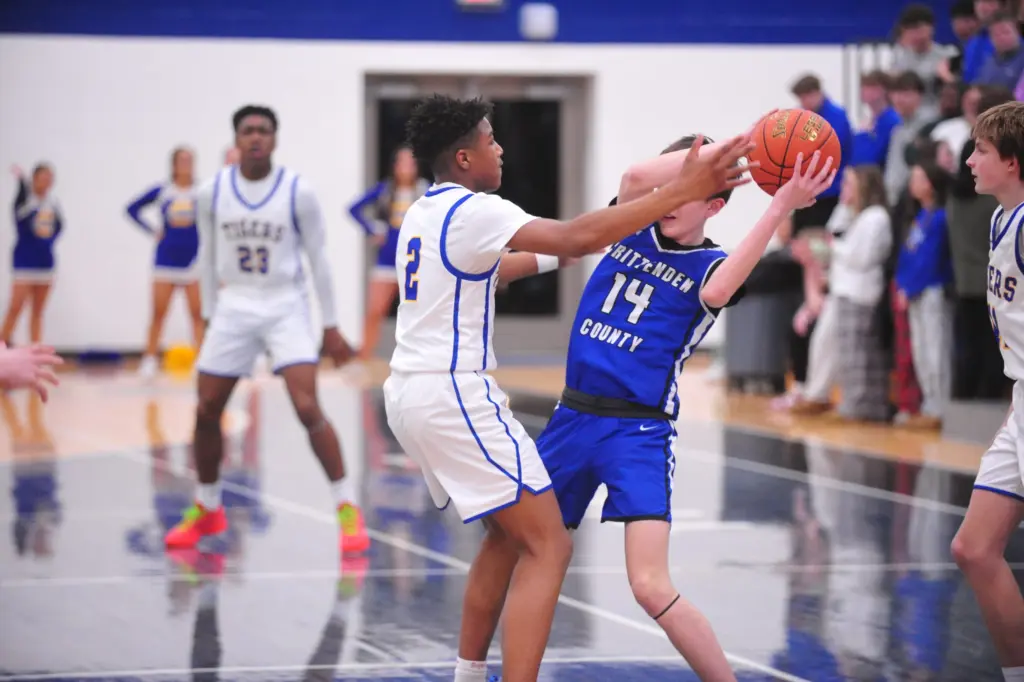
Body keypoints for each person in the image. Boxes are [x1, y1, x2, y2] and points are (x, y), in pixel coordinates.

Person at [382, 94, 754, 682]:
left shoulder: (426, 211)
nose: (501, 148)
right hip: (454, 395)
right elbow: (577, 237)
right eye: (490, 140)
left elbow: (506, 267)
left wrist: (573, 249)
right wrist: (683, 186)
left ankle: (468, 674)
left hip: (408, 393)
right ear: (463, 157)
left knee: (506, 539)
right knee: (549, 546)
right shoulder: (477, 210)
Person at [470, 136, 833, 681]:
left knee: (649, 585)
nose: (671, 196)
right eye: (672, 186)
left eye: (689, 191)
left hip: (636, 434)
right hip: (572, 419)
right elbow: (638, 177)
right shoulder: (630, 226)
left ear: (714, 206)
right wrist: (716, 154)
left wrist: (780, 204)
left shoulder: (711, 266)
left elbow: (723, 289)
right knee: (513, 544)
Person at [163, 105, 368, 559]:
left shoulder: (297, 191)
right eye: (248, 131)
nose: (256, 137)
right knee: (207, 408)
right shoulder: (212, 192)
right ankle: (208, 506)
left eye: (263, 130)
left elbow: (319, 260)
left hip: (284, 305)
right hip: (234, 305)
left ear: (275, 139)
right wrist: (209, 319)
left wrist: (331, 325)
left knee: (307, 405)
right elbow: (207, 258)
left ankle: (347, 507)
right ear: (236, 140)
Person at [951, 99, 1024, 682]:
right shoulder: (1001, 219)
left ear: (1013, 162)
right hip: (1021, 398)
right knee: (974, 549)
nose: (970, 161)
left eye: (981, 151)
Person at [126, 147, 203, 378]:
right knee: (158, 313)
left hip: (193, 261)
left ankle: (202, 361)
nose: (186, 165)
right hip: (166, 261)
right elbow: (132, 209)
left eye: (190, 160)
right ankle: (149, 359)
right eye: (182, 160)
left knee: (197, 314)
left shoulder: (202, 191)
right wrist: (152, 230)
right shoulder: (163, 191)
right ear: (173, 164)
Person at [347, 146, 429, 361]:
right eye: (402, 162)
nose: (406, 167)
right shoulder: (385, 190)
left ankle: (420, 358)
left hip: (415, 261)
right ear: (394, 166)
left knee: (419, 313)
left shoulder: (425, 190)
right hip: (387, 260)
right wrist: (372, 229)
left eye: (411, 162)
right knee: (375, 311)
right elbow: (354, 208)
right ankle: (364, 357)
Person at [1, 164, 62, 346]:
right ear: (34, 179)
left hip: (45, 263)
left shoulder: (52, 202)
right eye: (43, 177)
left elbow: (59, 227)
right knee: (15, 308)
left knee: (38, 311)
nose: (47, 182)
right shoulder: (25, 201)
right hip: (25, 262)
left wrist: (48, 242)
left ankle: (36, 351)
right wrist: (21, 182)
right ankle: (2, 346)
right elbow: (19, 218)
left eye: (50, 178)